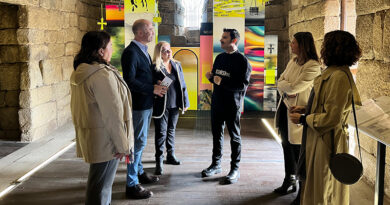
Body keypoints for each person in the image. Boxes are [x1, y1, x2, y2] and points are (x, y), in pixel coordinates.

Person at [289, 30, 362, 205]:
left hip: (327, 141)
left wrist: (303, 119)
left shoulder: (338, 77)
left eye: (325, 45)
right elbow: (326, 104)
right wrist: (306, 108)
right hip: (319, 138)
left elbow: (331, 118)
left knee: (324, 189)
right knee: (316, 185)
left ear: (332, 49)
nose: (322, 49)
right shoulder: (333, 72)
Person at [70, 31, 133, 205]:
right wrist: (122, 144)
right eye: (110, 46)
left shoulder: (83, 70)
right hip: (107, 139)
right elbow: (112, 114)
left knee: (97, 184)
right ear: (100, 51)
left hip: (96, 136)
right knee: (102, 187)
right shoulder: (101, 75)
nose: (112, 49)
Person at [121, 19, 166, 199]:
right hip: (138, 105)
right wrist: (152, 88)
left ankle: (139, 173)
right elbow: (129, 81)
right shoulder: (131, 52)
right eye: (149, 28)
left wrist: (157, 82)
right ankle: (131, 184)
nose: (153, 31)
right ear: (139, 32)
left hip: (146, 104)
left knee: (140, 142)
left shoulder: (144, 51)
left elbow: (143, 76)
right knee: (136, 145)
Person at [274, 32, 321, 204]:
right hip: (285, 111)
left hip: (298, 113)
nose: (291, 45)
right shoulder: (293, 62)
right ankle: (289, 180)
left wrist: (286, 87)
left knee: (300, 154)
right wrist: (286, 87)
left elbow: (294, 88)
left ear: (302, 45)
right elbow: (280, 81)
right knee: (286, 147)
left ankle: (302, 191)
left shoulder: (313, 66)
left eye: (293, 43)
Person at [201, 28, 252, 184]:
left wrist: (219, 81)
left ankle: (234, 169)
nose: (221, 39)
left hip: (232, 105)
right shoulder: (220, 58)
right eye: (221, 37)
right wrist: (210, 78)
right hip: (217, 103)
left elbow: (242, 85)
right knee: (217, 135)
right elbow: (217, 79)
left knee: (235, 138)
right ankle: (216, 164)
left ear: (233, 41)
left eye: (224, 37)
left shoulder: (243, 61)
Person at [151, 41, 190, 175]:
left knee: (171, 131)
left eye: (169, 50)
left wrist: (185, 103)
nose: (168, 53)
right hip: (161, 104)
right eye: (164, 50)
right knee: (161, 133)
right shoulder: (154, 67)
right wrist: (155, 83)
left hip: (174, 104)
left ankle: (170, 156)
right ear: (159, 52)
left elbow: (182, 85)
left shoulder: (177, 64)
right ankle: (158, 160)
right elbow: (149, 83)